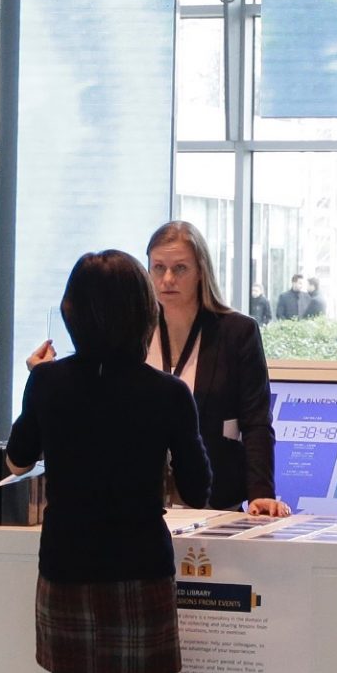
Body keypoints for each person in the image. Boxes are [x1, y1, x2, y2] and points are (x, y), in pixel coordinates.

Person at [5, 251, 211, 673]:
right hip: (136, 577)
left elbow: (17, 458)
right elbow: (200, 487)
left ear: (71, 313)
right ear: (141, 315)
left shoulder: (48, 383)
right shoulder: (166, 394)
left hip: (66, 574)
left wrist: (35, 386)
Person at [143, 220, 291, 519]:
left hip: (215, 501)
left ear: (201, 271)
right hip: (144, 503)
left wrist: (261, 492)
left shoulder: (237, 332)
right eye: (158, 268)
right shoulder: (134, 331)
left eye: (180, 268)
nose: (167, 279)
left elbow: (256, 422)